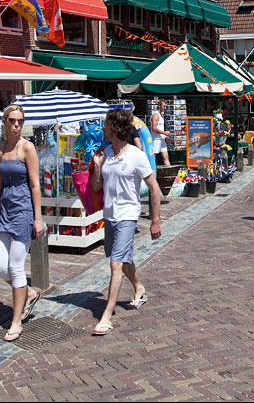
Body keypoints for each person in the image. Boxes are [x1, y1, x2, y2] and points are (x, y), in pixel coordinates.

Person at [90, 109, 161, 336]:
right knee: (121, 258)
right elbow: (96, 187)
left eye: (106, 125)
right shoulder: (106, 153)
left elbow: (154, 188)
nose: (103, 129)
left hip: (128, 216)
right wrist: (98, 166)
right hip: (109, 216)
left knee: (115, 264)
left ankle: (106, 316)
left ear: (116, 128)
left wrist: (155, 221)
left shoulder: (136, 156)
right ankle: (139, 287)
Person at [0, 105, 45, 342]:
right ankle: (28, 293)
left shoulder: (27, 148)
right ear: (4, 122)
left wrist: (38, 217)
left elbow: (35, 185)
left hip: (23, 211)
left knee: (16, 266)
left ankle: (16, 321)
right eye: (12, 120)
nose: (16, 125)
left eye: (20, 121)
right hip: (4, 212)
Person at [149, 99, 171, 168]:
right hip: (156, 139)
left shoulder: (160, 115)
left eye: (165, 106)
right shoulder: (155, 115)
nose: (165, 108)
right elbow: (154, 128)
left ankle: (169, 172)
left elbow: (159, 128)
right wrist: (164, 132)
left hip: (161, 138)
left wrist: (164, 135)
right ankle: (152, 173)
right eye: (164, 106)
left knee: (166, 156)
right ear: (159, 106)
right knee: (153, 157)